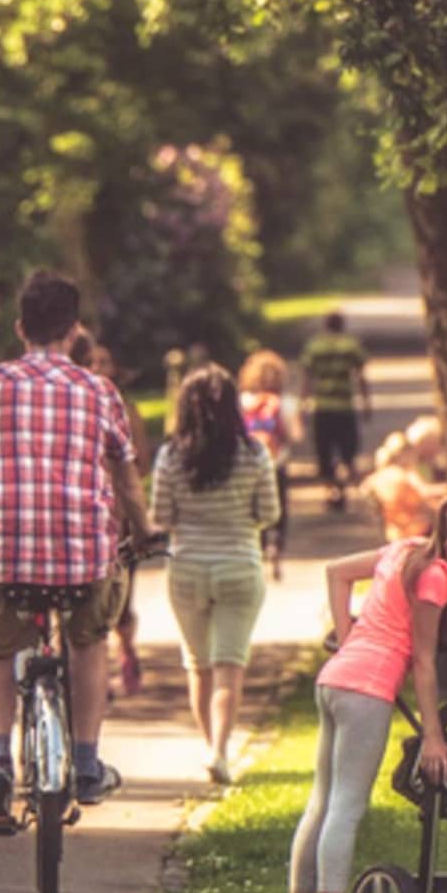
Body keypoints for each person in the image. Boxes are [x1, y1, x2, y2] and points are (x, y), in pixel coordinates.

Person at [0, 271, 153, 832]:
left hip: (5, 547)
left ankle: (0, 760)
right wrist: (145, 531)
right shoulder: (98, 390)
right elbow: (125, 474)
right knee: (89, 639)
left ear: (20, 327)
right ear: (73, 330)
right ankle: (86, 760)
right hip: (82, 550)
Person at [280, 497, 447, 893]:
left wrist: (347, 640)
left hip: (334, 681)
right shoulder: (437, 575)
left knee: (320, 805)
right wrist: (434, 738)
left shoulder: (403, 549)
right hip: (367, 689)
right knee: (346, 807)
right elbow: (424, 662)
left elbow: (337, 572)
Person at [151, 365, 280, 785]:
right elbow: (269, 514)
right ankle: (221, 751)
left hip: (187, 568)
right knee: (230, 666)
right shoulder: (255, 454)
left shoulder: (171, 456)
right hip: (239, 565)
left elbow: (161, 517)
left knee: (198, 666)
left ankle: (209, 747)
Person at [74, 332, 153, 696]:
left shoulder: (128, 411)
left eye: (104, 363)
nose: (98, 369)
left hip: (119, 520)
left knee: (121, 600)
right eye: (91, 363)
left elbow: (141, 462)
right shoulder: (71, 411)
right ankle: (97, 669)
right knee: (87, 602)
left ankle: (127, 649)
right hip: (83, 521)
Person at [237, 349, 303, 580]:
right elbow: (296, 434)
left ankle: (259, 547)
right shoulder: (285, 402)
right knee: (279, 507)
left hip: (248, 465)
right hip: (277, 461)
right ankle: (276, 545)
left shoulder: (242, 402)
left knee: (253, 508)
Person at [300, 312, 371, 510]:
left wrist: (303, 404)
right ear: (342, 325)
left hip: (322, 406)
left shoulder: (314, 346)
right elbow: (361, 376)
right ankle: (343, 483)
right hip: (345, 405)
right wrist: (366, 402)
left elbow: (307, 379)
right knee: (347, 448)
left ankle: (331, 487)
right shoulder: (351, 345)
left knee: (324, 450)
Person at [359, 432, 446, 541]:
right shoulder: (405, 474)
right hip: (415, 528)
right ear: (405, 454)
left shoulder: (378, 476)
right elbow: (423, 492)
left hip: (393, 530)